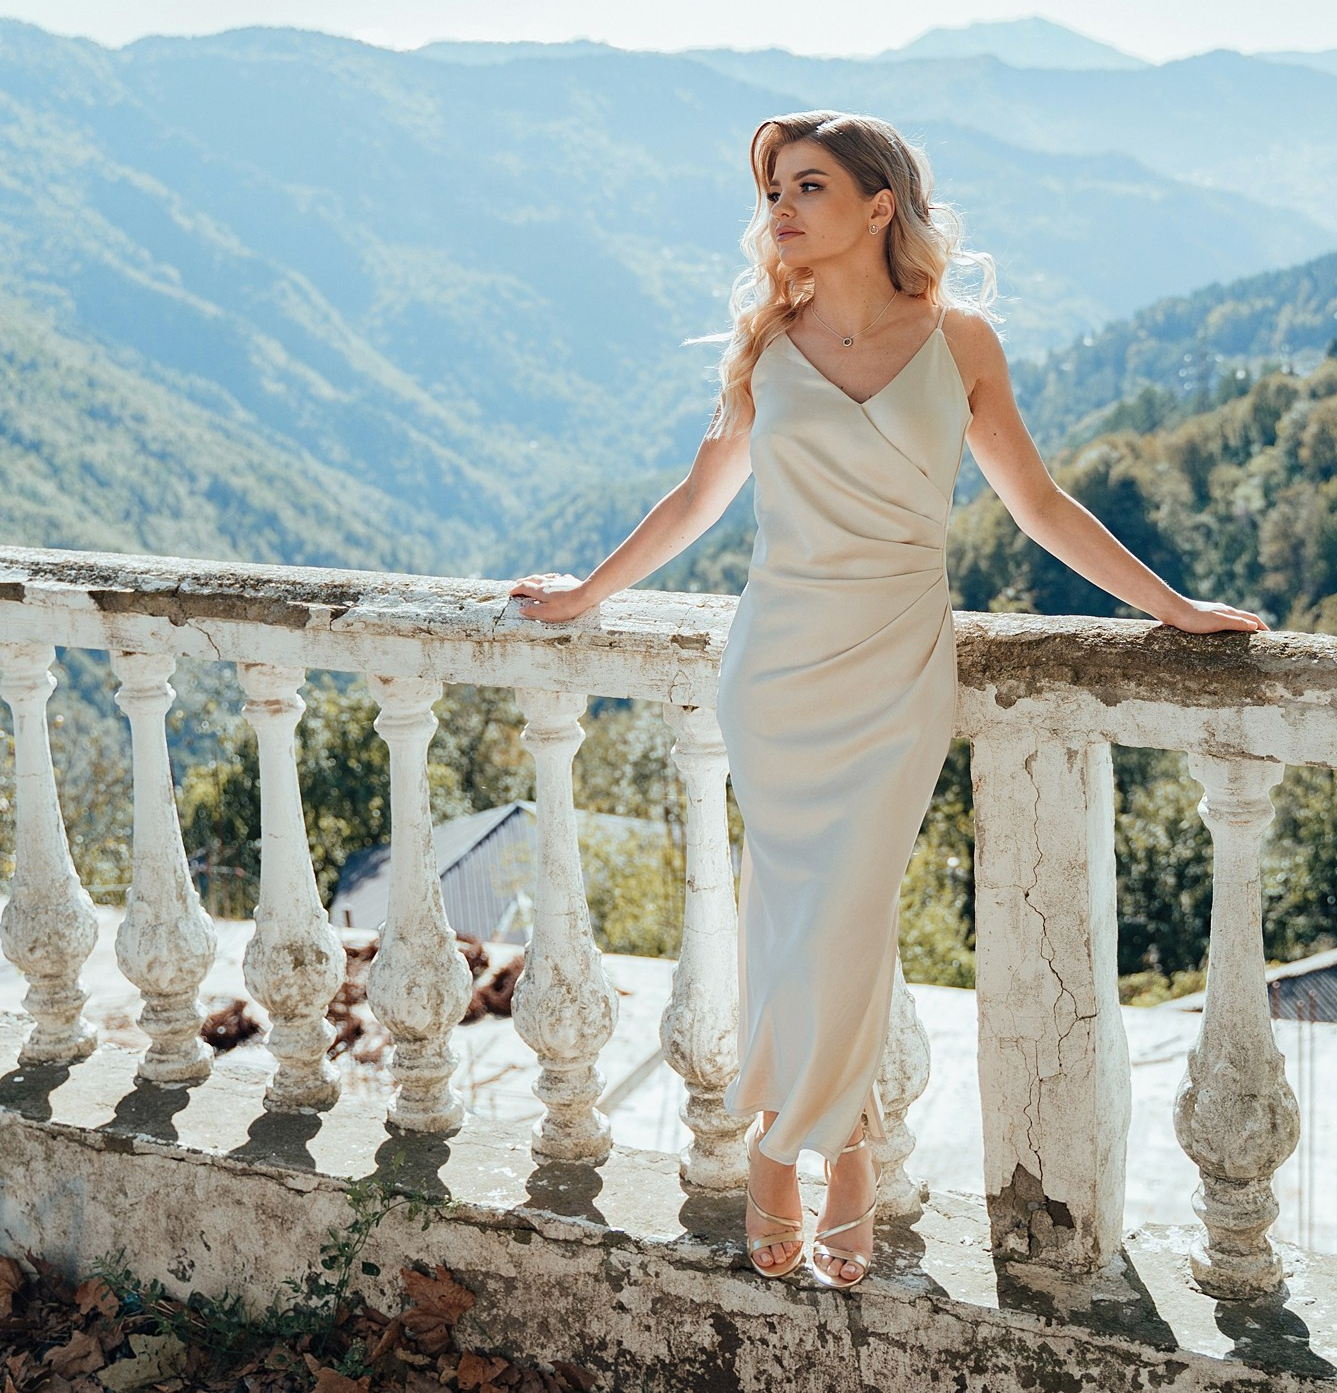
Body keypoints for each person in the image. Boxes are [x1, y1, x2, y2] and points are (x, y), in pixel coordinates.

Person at [509, 111, 1266, 1291]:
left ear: (879, 204)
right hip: (777, 667)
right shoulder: (766, 343)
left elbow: (1040, 503)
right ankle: (803, 1149)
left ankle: (818, 1147)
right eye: (770, 189)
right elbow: (700, 495)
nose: (781, 208)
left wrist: (1173, 610)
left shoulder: (958, 340)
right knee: (783, 915)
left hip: (896, 664)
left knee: (850, 913)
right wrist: (586, 592)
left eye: (807, 185)